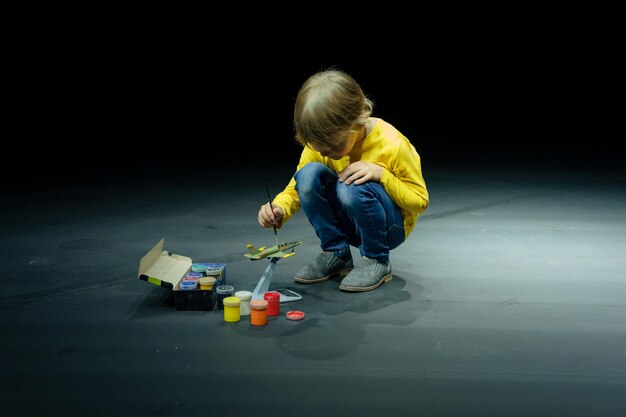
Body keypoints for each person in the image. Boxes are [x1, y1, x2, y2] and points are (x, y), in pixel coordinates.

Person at [257, 68, 429, 292]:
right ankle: (336, 253)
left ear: (358, 120)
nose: (327, 153)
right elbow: (296, 188)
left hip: (388, 228)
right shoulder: (321, 146)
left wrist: (382, 175)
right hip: (350, 222)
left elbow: (420, 201)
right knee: (308, 174)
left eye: (334, 146)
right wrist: (279, 208)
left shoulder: (392, 143)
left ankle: (377, 259)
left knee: (352, 185)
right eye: (320, 148)